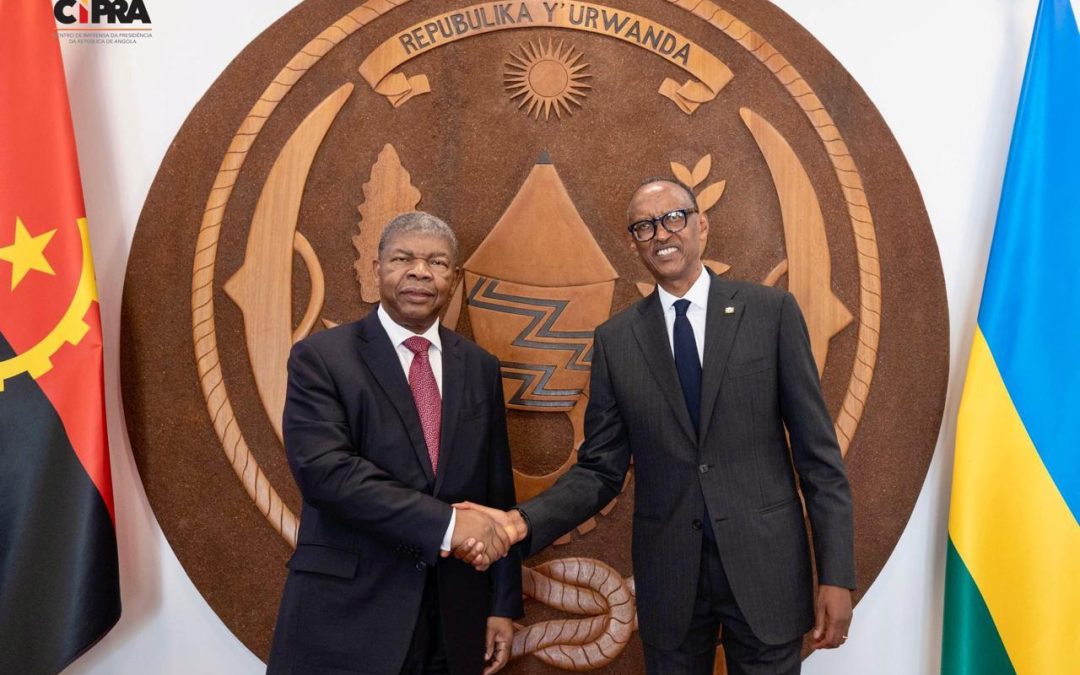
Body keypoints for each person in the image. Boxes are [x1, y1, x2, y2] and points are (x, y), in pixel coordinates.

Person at [455, 178, 855, 674]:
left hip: (766, 570)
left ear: (701, 225)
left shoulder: (769, 313)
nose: (661, 233)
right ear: (633, 243)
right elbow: (600, 471)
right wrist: (520, 522)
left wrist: (837, 576)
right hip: (671, 579)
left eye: (673, 218)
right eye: (644, 226)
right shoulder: (617, 340)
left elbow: (819, 458)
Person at [268, 212, 522, 675]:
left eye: (438, 262)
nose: (420, 271)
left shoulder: (480, 367)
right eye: (403, 258)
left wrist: (501, 604)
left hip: (454, 616)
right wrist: (447, 523)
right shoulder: (321, 358)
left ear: (454, 278)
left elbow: (496, 490)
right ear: (377, 268)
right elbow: (326, 474)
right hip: (350, 614)